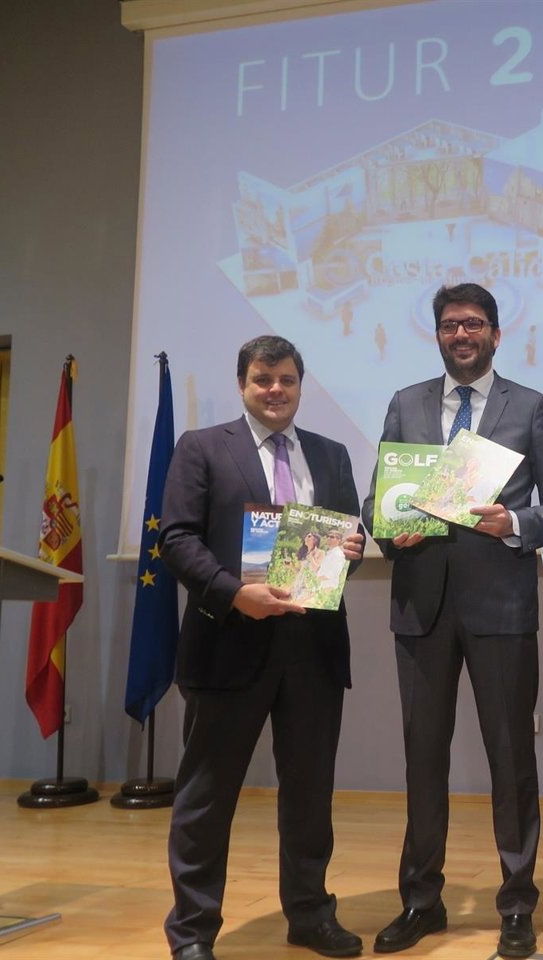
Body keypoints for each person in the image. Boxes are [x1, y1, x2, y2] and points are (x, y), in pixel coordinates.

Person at [362, 282, 543, 958]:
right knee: (424, 759)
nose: (462, 334)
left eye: (474, 324)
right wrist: (391, 531)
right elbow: (377, 499)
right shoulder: (406, 403)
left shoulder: (530, 407)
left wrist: (518, 521)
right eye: (451, 324)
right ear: (438, 334)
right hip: (420, 607)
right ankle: (421, 900)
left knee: (511, 759)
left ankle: (516, 906)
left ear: (496, 335)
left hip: (501, 606)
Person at [160, 335, 366, 960]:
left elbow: (344, 540)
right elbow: (176, 538)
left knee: (309, 796)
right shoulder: (201, 448)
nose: (275, 390)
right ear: (243, 384)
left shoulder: (330, 456)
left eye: (286, 380)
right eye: (262, 379)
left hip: (312, 649)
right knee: (206, 797)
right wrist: (232, 593)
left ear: (301, 385)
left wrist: (350, 552)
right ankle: (193, 932)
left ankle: (308, 914)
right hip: (228, 642)